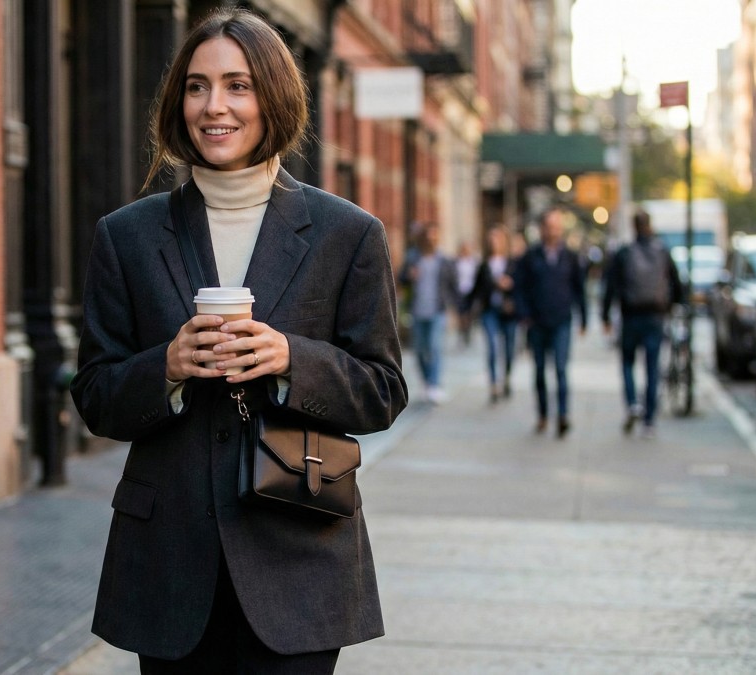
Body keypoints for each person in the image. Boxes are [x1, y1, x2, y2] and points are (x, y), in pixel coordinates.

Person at [69, 9, 407, 673]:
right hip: (168, 564)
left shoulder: (348, 234)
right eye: (196, 86)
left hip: (299, 558)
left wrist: (290, 361)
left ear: (273, 97)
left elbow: (384, 390)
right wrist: (164, 366)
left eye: (237, 85)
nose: (213, 105)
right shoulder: (127, 236)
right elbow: (94, 393)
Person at [601, 209, 682, 438]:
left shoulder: (625, 252)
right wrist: (674, 306)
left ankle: (632, 404)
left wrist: (605, 315)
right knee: (652, 367)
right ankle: (649, 420)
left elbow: (611, 286)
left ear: (634, 226)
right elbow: (677, 284)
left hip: (631, 316)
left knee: (627, 362)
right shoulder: (662, 251)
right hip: (655, 316)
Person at [514, 207, 587, 437]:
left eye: (557, 226)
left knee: (561, 369)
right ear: (542, 229)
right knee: (539, 371)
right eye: (549, 226)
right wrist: (524, 314)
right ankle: (543, 414)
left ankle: (563, 414)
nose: (553, 231)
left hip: (562, 321)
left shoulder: (571, 256)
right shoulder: (531, 256)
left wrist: (583, 318)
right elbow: (520, 287)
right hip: (536, 322)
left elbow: (579, 289)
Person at [399, 223, 458, 404]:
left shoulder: (444, 260)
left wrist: (455, 308)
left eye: (434, 236)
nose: (431, 240)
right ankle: (426, 382)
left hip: (437, 311)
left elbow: (452, 285)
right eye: (428, 236)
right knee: (419, 350)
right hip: (417, 311)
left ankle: (434, 384)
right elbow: (400, 279)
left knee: (434, 347)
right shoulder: (413, 258)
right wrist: (409, 276)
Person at [467, 225, 519, 403]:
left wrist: (510, 286)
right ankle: (493, 383)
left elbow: (522, 287)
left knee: (509, 348)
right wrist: (465, 308)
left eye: (497, 239)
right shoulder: (484, 265)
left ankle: (507, 377)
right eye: (491, 239)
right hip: (489, 311)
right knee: (492, 346)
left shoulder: (512, 263)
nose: (494, 243)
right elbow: (476, 289)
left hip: (508, 312)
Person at [454, 239, 479, 347]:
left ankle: (467, 332)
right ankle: (461, 332)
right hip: (460, 291)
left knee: (469, 314)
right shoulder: (457, 262)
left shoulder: (474, 262)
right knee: (461, 314)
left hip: (470, 291)